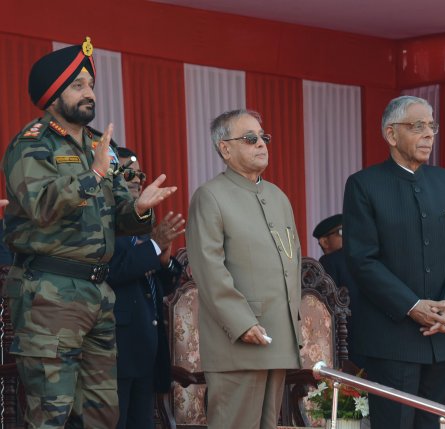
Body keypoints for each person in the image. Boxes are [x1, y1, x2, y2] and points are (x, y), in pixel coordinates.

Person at [2, 38, 177, 428]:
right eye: (78, 85)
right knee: (51, 414)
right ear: (53, 94)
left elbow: (120, 215)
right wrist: (93, 174)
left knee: (100, 415)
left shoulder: (102, 145)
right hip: (49, 293)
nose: (89, 94)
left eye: (91, 86)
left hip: (99, 294)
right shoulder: (31, 145)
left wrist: (141, 209)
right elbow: (41, 205)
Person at [343, 95, 445, 429]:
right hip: (393, 338)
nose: (429, 134)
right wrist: (411, 304)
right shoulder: (364, 185)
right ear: (391, 134)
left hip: (443, 335)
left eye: (432, 125)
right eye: (418, 126)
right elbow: (363, 260)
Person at [186, 109, 302, 429]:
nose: (261, 144)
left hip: (276, 339)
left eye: (263, 137)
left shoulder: (278, 197)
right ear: (225, 148)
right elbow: (208, 269)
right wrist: (241, 322)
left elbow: (291, 266)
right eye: (250, 139)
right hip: (237, 342)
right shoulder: (210, 196)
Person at [106, 147, 185, 429]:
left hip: (146, 347)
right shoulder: (103, 219)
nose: (138, 179)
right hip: (115, 349)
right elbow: (111, 270)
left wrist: (163, 262)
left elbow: (157, 287)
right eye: (128, 172)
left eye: (140, 173)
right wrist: (152, 245)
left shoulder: (141, 222)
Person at [313, 214, 363, 368]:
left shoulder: (362, 256)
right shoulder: (331, 261)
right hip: (351, 341)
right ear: (324, 241)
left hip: (352, 341)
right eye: (341, 232)